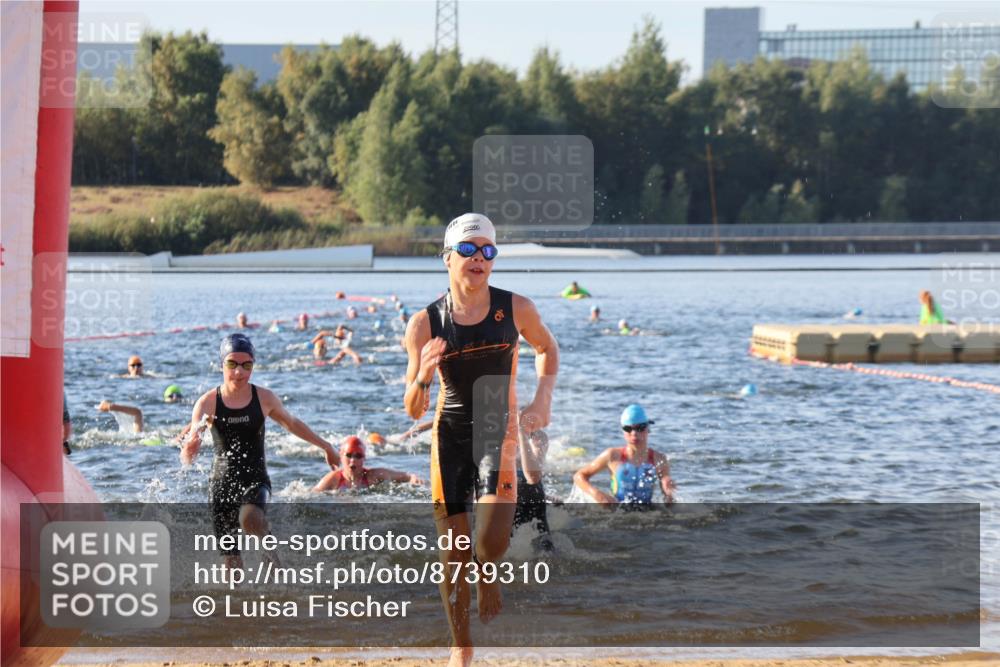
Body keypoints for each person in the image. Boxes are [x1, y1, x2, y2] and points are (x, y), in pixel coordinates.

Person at [403, 212, 559, 667]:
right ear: (448, 258)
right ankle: (461, 646)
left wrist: (542, 398)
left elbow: (547, 348)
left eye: (488, 251)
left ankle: (487, 570)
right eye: (468, 249)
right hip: (449, 435)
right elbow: (412, 408)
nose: (479, 258)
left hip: (497, 432)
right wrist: (423, 376)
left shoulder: (517, 308)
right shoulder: (424, 323)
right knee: (453, 551)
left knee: (490, 542)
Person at [180, 333, 340, 570]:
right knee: (231, 563)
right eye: (232, 364)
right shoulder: (208, 402)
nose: (239, 372)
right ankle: (237, 595)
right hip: (221, 485)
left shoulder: (264, 398)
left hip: (255, 478)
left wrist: (326, 446)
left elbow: (292, 423)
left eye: (247, 365)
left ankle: (271, 554)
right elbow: (189, 450)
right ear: (221, 365)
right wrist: (189, 450)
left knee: (250, 519)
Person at [574, 404, 674, 506]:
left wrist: (669, 493)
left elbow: (669, 503)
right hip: (616, 510)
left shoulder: (659, 460)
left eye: (640, 428)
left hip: (647, 511)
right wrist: (597, 495)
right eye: (628, 429)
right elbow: (579, 476)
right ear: (623, 431)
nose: (634, 433)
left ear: (648, 429)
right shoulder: (612, 456)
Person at [312, 436, 423, 491]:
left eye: (358, 456)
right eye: (349, 455)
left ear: (364, 458)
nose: (352, 460)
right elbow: (312, 496)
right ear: (341, 456)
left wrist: (413, 478)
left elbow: (406, 476)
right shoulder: (333, 479)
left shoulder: (373, 476)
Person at [512, 427, 554, 553]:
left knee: (546, 548)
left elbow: (534, 474)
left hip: (531, 493)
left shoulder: (537, 437)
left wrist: (521, 433)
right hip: (508, 496)